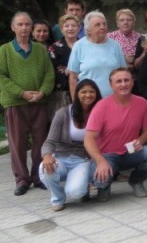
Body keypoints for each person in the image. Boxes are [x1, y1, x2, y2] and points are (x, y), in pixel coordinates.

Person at [0, 12, 55, 196]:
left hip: (39, 102)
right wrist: (21, 93)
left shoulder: (40, 50)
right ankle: (22, 179)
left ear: (31, 27)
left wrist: (42, 92)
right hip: (16, 103)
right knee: (18, 143)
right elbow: (1, 77)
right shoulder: (4, 51)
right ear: (13, 27)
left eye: (27, 24)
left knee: (41, 141)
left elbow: (49, 74)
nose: (24, 28)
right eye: (20, 24)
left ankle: (38, 176)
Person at [84, 68, 147, 201]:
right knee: (99, 179)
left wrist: (140, 141)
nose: (123, 84)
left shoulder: (141, 103)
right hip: (107, 156)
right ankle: (104, 187)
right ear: (111, 85)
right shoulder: (101, 106)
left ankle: (136, 181)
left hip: (130, 153)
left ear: (132, 82)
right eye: (118, 81)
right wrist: (100, 161)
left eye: (126, 80)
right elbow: (89, 139)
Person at [39, 79, 101, 211]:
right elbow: (49, 141)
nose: (88, 95)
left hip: (83, 160)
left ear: (97, 94)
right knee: (45, 169)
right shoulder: (63, 113)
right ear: (77, 94)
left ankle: (83, 185)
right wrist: (47, 155)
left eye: (92, 92)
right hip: (61, 157)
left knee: (76, 192)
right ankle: (57, 197)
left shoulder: (100, 113)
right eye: (84, 92)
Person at [67, 11, 126, 100]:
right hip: (88, 100)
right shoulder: (79, 46)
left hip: (113, 100)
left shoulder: (115, 45)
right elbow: (73, 77)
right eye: (97, 25)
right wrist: (75, 102)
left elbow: (124, 73)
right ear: (88, 30)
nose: (102, 27)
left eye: (104, 24)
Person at [47, 15, 81, 113]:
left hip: (83, 88)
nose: (70, 28)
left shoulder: (85, 45)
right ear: (61, 29)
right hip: (62, 92)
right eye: (66, 26)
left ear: (79, 28)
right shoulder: (54, 47)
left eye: (73, 26)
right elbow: (50, 70)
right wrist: (65, 72)